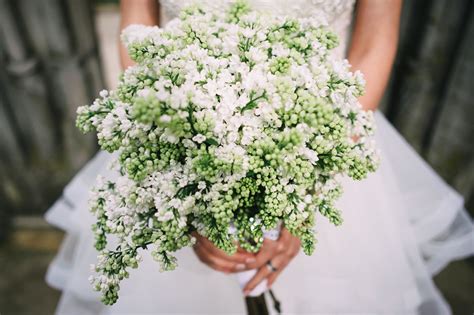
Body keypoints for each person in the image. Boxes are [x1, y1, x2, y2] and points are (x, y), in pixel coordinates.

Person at [45, 0, 474, 314]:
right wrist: (182, 184)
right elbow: (138, 20)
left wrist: (310, 186)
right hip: (181, 131)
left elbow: (374, 43)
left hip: (321, 136)